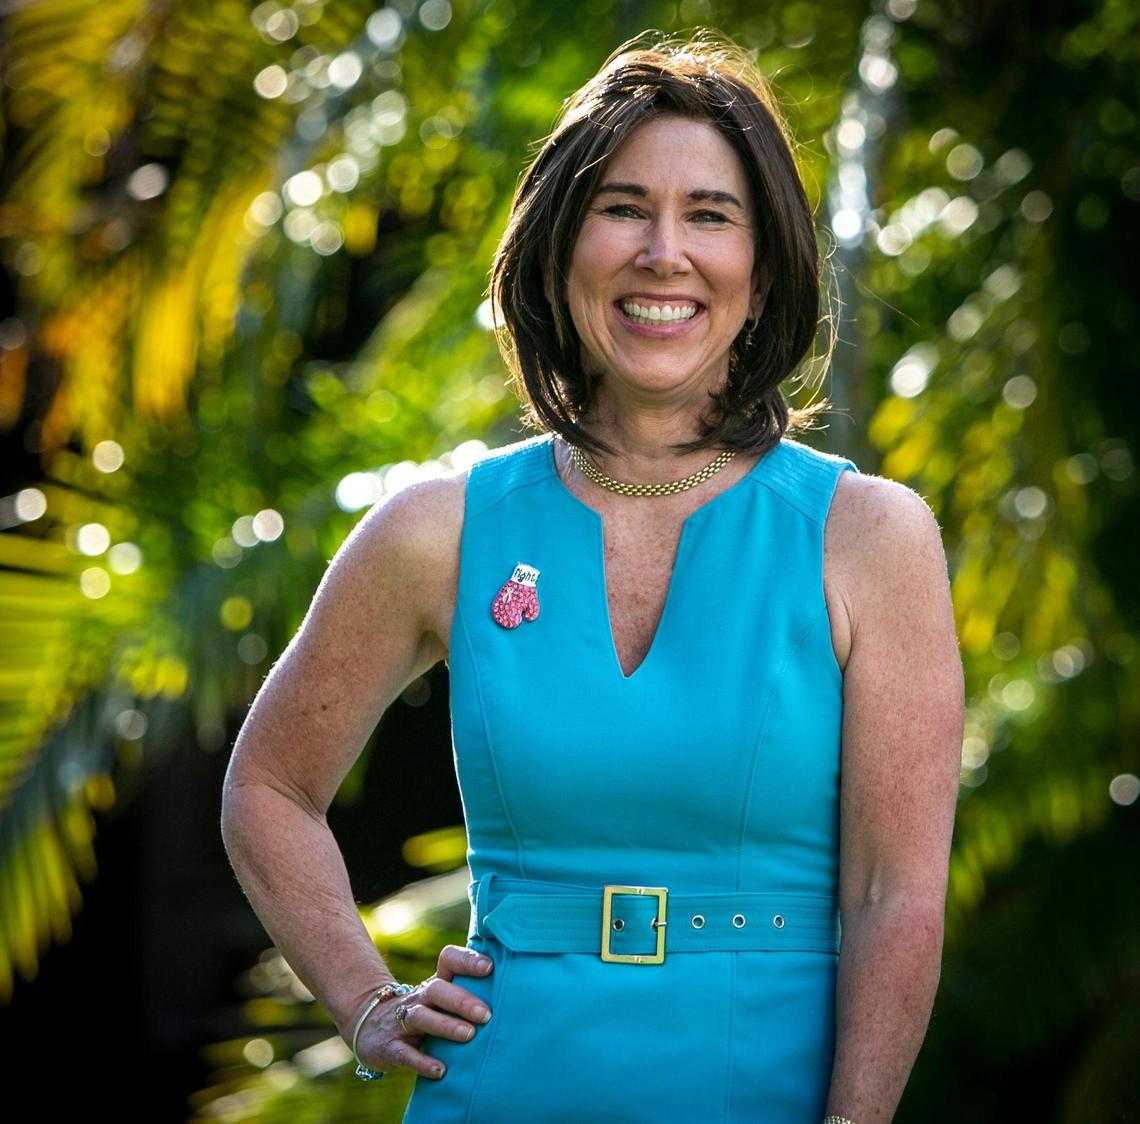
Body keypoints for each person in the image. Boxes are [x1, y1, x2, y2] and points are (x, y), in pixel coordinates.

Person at [221, 28, 964, 1124]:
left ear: (764, 272)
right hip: (496, 1092)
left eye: (710, 215)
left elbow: (895, 895)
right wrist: (365, 999)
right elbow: (269, 789)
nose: (664, 253)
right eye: (623, 208)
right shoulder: (439, 531)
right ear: (560, 248)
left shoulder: (869, 538)